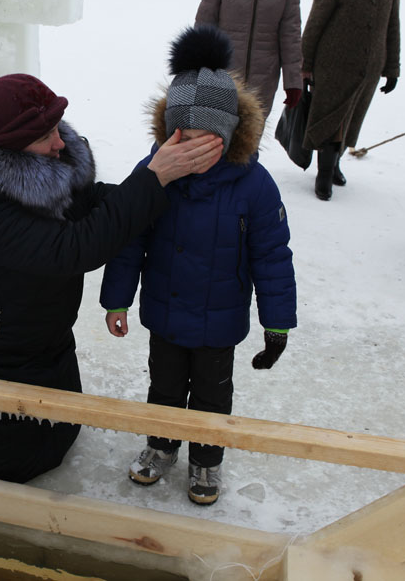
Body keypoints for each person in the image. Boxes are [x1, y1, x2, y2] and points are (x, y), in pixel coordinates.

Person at [0, 73, 225, 484]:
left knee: (59, 433)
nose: (60, 143)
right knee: (1, 465)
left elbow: (93, 203)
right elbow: (74, 247)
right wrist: (153, 179)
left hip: (37, 340)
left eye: (57, 128)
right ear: (9, 147)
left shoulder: (43, 167)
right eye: (45, 136)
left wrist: (171, 193)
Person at [99, 26, 297, 505]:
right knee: (164, 387)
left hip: (219, 321)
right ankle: (161, 445)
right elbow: (128, 241)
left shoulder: (254, 185)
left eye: (206, 139)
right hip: (165, 314)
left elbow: (272, 256)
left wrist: (277, 323)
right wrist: (116, 300)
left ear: (229, 134)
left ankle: (207, 459)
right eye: (183, 137)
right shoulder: (154, 174)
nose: (191, 149)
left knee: (212, 395)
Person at [300, 0, 400, 201]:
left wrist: (392, 67)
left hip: (370, 67)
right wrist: (305, 64)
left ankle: (335, 164)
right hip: (333, 65)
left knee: (353, 119)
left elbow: (392, 25)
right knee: (330, 119)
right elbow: (316, 22)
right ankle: (324, 172)